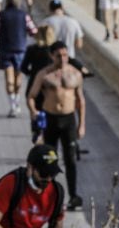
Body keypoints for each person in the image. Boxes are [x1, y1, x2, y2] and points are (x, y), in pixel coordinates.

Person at [25, 41, 86, 209]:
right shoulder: (44, 75)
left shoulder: (75, 74)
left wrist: (82, 125)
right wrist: (34, 113)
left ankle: (73, 196)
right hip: (51, 120)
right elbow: (31, 96)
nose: (63, 58)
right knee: (50, 160)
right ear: (52, 56)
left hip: (68, 120)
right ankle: (48, 195)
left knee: (71, 159)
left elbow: (80, 100)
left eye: (65, 55)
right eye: (59, 55)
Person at [0, 0, 38, 117]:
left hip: (5, 50)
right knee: (18, 79)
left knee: (9, 79)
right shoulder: (24, 15)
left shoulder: (1, 15)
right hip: (20, 50)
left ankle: (12, 105)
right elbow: (33, 31)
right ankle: (16, 101)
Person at [21, 25, 56, 142]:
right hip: (49, 87)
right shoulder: (54, 52)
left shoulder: (32, 49)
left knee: (34, 110)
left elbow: (23, 67)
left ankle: (36, 130)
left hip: (34, 84)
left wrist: (33, 74)